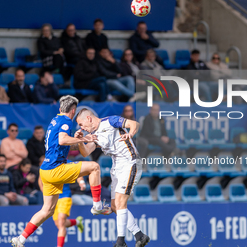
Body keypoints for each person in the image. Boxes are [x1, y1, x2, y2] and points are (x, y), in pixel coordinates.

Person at [10, 95, 111, 247]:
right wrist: (84, 139)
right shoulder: (66, 121)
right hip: (56, 169)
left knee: (47, 211)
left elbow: (62, 143)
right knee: (94, 167)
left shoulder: (54, 120)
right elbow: (63, 140)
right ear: (73, 110)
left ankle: (21, 238)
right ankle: (97, 205)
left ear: (60, 109)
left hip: (45, 171)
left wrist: (78, 140)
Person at [76, 109, 150, 247]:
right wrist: (80, 140)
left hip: (130, 162)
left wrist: (130, 134)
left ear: (89, 118)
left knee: (121, 202)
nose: (82, 128)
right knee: (115, 206)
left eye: (81, 124)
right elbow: (86, 152)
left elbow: (135, 124)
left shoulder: (111, 121)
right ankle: (140, 235)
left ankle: (120, 242)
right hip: (117, 167)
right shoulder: (94, 135)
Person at [38, 173, 84, 247]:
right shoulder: (49, 163)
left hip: (65, 196)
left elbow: (79, 173)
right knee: (59, 224)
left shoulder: (67, 162)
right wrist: (42, 188)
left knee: (61, 222)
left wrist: (81, 182)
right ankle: (77, 222)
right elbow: (41, 177)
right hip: (53, 199)